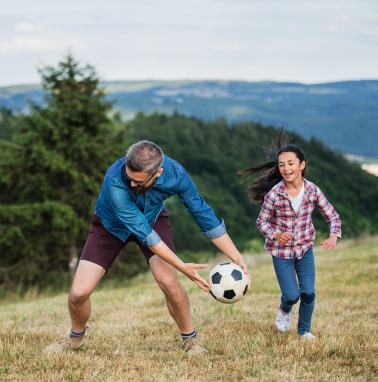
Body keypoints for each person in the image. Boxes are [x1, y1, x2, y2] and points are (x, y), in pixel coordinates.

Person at [46, 140, 251, 355]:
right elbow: (147, 236)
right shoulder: (115, 180)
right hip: (110, 225)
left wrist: (237, 258)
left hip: (153, 219)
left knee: (168, 281)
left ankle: (190, 339)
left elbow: (202, 214)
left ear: (158, 173)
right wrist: (182, 266)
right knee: (78, 293)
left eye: (140, 182)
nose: (133, 185)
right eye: (130, 179)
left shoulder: (176, 174)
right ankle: (76, 338)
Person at [238, 128, 341, 339]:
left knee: (309, 293)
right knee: (292, 295)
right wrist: (275, 234)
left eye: (290, 164)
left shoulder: (313, 191)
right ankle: (285, 308)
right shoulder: (274, 195)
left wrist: (333, 235)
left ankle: (304, 331)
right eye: (282, 165)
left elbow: (332, 215)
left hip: (304, 250)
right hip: (281, 253)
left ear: (302, 165)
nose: (286, 168)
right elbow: (262, 222)